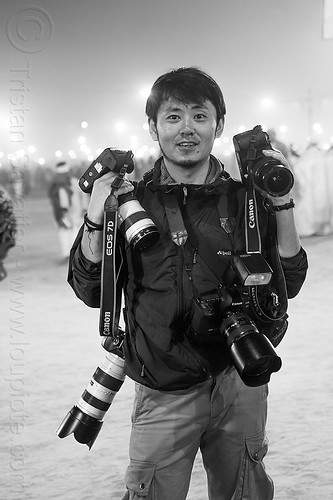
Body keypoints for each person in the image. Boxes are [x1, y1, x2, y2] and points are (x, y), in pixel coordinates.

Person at [68, 67, 308, 499]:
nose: (186, 130)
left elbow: (289, 279)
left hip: (240, 378)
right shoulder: (130, 204)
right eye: (173, 116)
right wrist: (93, 218)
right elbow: (89, 290)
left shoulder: (245, 200)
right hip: (162, 387)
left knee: (244, 492)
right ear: (153, 127)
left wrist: (282, 204)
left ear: (218, 125)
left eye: (200, 116)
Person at [48, 161, 87, 261]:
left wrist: (84, 207)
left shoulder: (69, 182)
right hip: (68, 213)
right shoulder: (61, 184)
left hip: (69, 213)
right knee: (70, 232)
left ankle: (70, 254)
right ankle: (71, 254)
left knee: (69, 232)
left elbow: (82, 196)